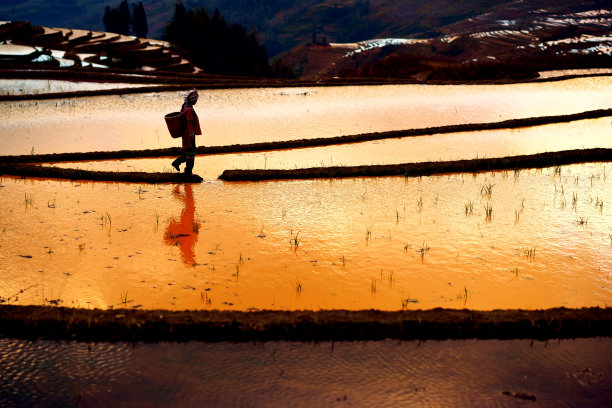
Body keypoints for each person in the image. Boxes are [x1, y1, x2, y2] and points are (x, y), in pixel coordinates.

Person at [172, 89, 201, 176]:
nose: (196, 101)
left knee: (188, 152)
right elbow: (190, 123)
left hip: (186, 134)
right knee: (191, 153)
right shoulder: (189, 110)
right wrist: (191, 135)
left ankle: (177, 163)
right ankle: (188, 171)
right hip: (189, 134)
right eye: (195, 99)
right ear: (191, 99)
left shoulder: (185, 106)